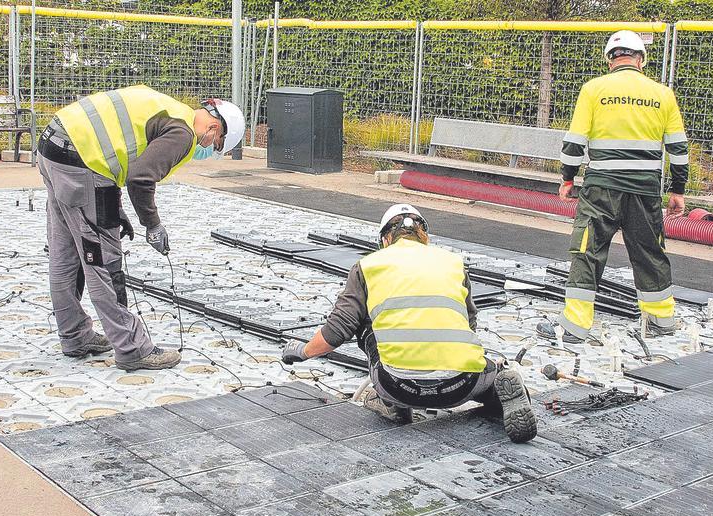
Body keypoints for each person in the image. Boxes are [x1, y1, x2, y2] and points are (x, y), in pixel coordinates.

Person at [281, 204, 536, 443]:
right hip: (462, 384)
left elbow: (337, 331)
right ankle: (496, 392)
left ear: (385, 239)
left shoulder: (367, 267)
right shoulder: (453, 264)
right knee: (487, 369)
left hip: (398, 385)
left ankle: (394, 405)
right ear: (425, 236)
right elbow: (469, 324)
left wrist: (302, 352)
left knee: (369, 323)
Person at [36, 85, 245, 371]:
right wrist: (153, 226)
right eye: (216, 143)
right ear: (213, 125)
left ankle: (75, 336)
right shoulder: (183, 133)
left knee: (66, 253)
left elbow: (117, 152)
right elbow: (140, 178)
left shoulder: (170, 109)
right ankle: (132, 349)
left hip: (54, 147)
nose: (208, 148)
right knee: (104, 263)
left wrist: (115, 208)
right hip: (80, 159)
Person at [537, 30, 689, 344]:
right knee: (650, 252)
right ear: (641, 60)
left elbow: (574, 142)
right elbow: (678, 149)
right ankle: (661, 320)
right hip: (645, 191)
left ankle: (576, 328)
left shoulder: (593, 90)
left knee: (588, 252)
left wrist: (567, 178)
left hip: (601, 189)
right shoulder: (663, 94)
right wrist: (678, 190)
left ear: (610, 59)